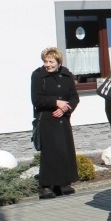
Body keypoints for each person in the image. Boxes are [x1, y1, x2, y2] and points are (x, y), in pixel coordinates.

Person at [31, 47, 80, 199]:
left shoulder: (66, 75)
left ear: (58, 62)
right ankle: (45, 185)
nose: (48, 64)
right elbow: (36, 99)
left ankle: (62, 183)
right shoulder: (38, 75)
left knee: (64, 151)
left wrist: (65, 108)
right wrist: (55, 102)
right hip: (46, 118)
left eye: (51, 61)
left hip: (63, 119)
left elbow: (74, 97)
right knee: (50, 153)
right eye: (45, 61)